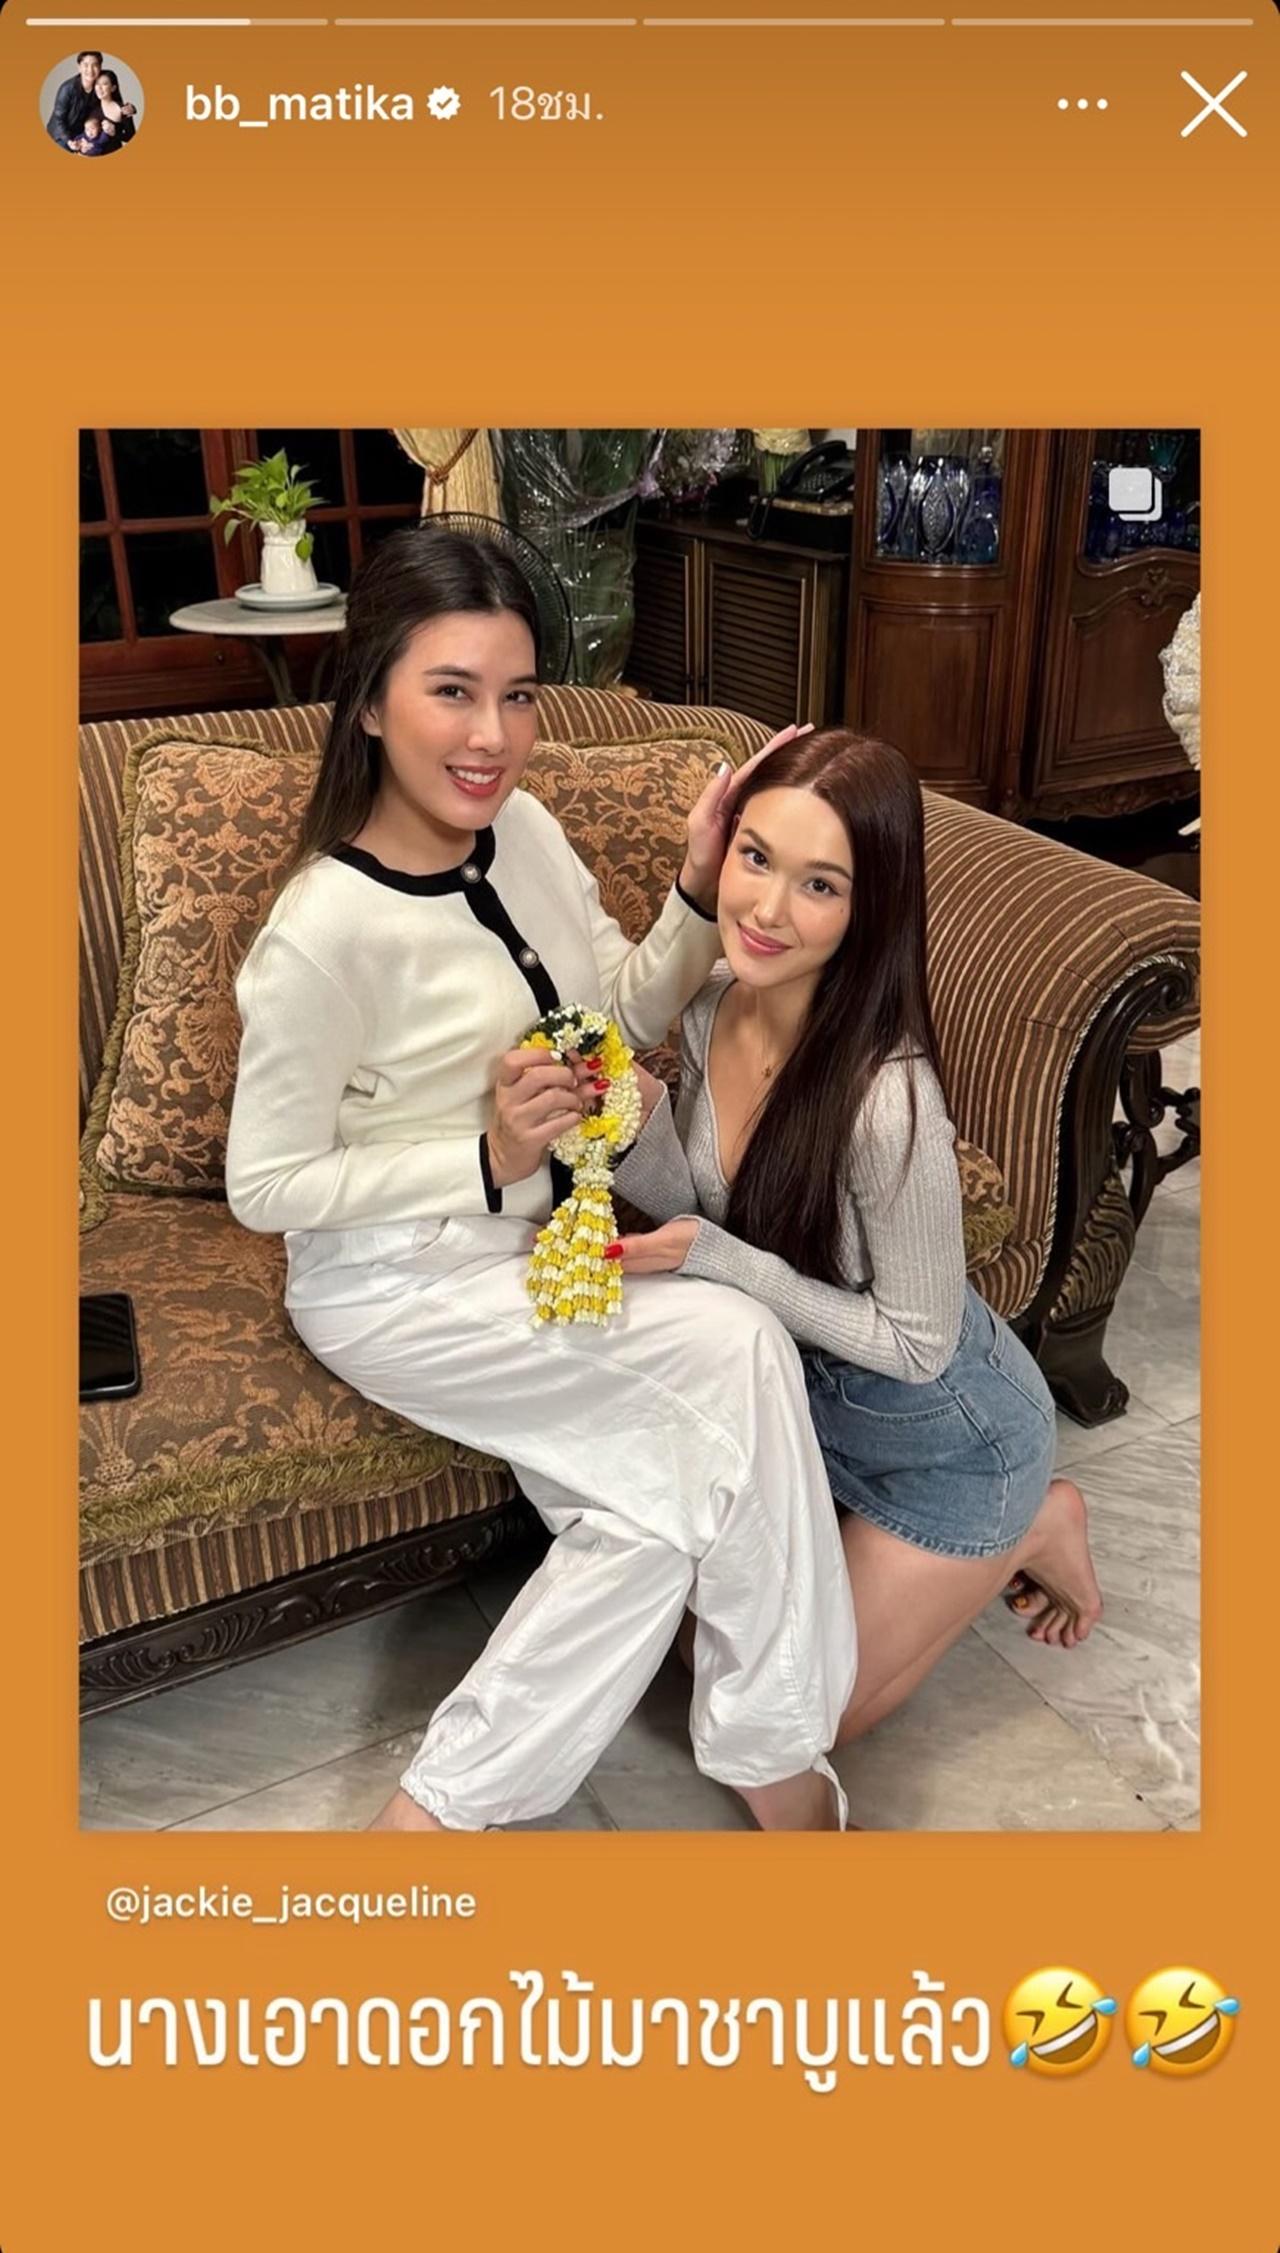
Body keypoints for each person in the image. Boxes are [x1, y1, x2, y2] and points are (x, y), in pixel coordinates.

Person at [225, 527, 857, 1833]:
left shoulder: (521, 828)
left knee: (646, 1518)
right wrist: (487, 1156)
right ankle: (780, 1762)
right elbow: (266, 1183)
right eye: (452, 691)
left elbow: (613, 1013)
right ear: (369, 702)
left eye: (517, 695)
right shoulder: (323, 931)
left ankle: (428, 1823)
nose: (492, 735)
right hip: (396, 1285)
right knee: (740, 1343)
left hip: (540, 1249)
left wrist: (695, 889)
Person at [610, 726, 1103, 1769]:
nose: (766, 910)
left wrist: (721, 1263)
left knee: (797, 1730)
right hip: (811, 1418)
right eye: (755, 857)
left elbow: (919, 1344)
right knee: (701, 1668)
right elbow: (702, 1205)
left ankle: (1032, 1522)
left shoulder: (889, 1102)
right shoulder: (710, 1007)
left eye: (819, 885)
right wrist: (629, 1122)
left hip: (948, 1445)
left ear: (867, 905)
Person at [46, 50, 104, 148]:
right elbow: (59, 120)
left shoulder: (100, 86)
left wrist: (127, 108)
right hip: (61, 136)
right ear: (79, 68)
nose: (90, 70)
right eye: (86, 65)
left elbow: (113, 99)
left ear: (100, 67)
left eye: (95, 65)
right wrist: (69, 140)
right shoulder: (67, 88)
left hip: (84, 134)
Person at [94, 68, 137, 144]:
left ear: (113, 88)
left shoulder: (124, 109)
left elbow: (131, 137)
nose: (99, 87)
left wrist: (114, 133)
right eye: (97, 83)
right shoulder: (91, 106)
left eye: (104, 84)